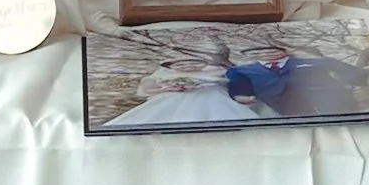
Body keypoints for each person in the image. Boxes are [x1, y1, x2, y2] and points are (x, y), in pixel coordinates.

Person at [105, 60, 276, 128]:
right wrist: (169, 88)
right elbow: (144, 91)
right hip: (174, 97)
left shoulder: (215, 71)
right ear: (171, 66)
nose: (187, 66)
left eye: (192, 62)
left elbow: (228, 82)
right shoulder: (163, 74)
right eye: (180, 64)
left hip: (211, 95)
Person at [226, 41, 369, 117]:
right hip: (281, 112)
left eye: (271, 49)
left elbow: (353, 75)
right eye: (258, 51)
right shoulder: (241, 71)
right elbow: (239, 91)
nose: (266, 53)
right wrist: (245, 98)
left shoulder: (313, 62)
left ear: (283, 51)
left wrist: (354, 86)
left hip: (331, 108)